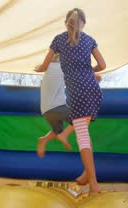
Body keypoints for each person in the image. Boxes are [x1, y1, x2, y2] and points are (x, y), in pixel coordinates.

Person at [35, 8, 106, 194]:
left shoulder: (58, 40)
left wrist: (39, 68)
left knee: (82, 136)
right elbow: (103, 65)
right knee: (84, 130)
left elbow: (45, 65)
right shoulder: (89, 40)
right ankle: (86, 173)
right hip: (92, 89)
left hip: (77, 92)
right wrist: (90, 71)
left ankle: (93, 183)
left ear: (66, 22)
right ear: (83, 23)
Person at [36, 53, 74, 158]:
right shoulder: (62, 67)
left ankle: (44, 140)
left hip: (46, 111)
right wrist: (94, 77)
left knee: (58, 130)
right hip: (57, 106)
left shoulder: (48, 69)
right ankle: (64, 136)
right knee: (80, 118)